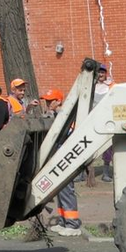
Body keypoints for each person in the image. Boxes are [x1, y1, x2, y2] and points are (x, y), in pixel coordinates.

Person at [40, 88, 82, 236]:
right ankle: (64, 221)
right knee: (60, 191)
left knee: (66, 190)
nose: (48, 103)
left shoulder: (66, 116)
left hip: (66, 158)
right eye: (46, 100)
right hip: (60, 158)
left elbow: (70, 135)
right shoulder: (57, 115)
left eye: (50, 101)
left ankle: (73, 224)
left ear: (59, 101)